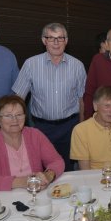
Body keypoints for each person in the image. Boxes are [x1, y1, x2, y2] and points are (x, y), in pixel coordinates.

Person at [11, 23, 86, 171]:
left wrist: (82, 128)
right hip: (40, 128)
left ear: (66, 41)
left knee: (67, 170)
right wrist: (15, 125)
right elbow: (18, 98)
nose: (56, 42)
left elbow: (82, 99)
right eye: (51, 38)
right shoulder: (31, 64)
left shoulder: (77, 66)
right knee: (40, 169)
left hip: (69, 128)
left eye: (60, 38)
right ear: (44, 40)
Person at [0, 95, 64, 191]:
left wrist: (48, 176)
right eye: (8, 116)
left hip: (37, 193)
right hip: (5, 196)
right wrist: (23, 182)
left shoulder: (35, 135)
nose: (15, 120)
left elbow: (56, 161)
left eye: (19, 115)